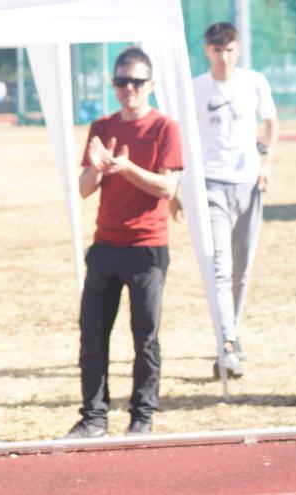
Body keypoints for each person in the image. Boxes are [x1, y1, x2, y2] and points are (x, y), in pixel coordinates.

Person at [62, 47, 182, 438]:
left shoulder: (165, 128)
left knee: (145, 338)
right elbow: (83, 190)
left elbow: (167, 186)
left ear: (151, 85)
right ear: (113, 84)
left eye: (136, 81)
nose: (128, 88)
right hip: (105, 247)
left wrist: (128, 168)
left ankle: (141, 416)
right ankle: (93, 417)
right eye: (121, 81)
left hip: (148, 248)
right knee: (92, 335)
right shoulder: (101, 127)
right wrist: (97, 170)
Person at [191, 22, 279, 378]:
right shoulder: (195, 88)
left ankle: (233, 330)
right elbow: (185, 137)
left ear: (238, 50)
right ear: (206, 50)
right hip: (212, 184)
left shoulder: (254, 82)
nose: (223, 57)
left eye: (228, 50)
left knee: (242, 269)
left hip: (247, 184)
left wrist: (266, 162)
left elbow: (271, 121)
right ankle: (225, 344)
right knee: (220, 267)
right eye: (216, 50)